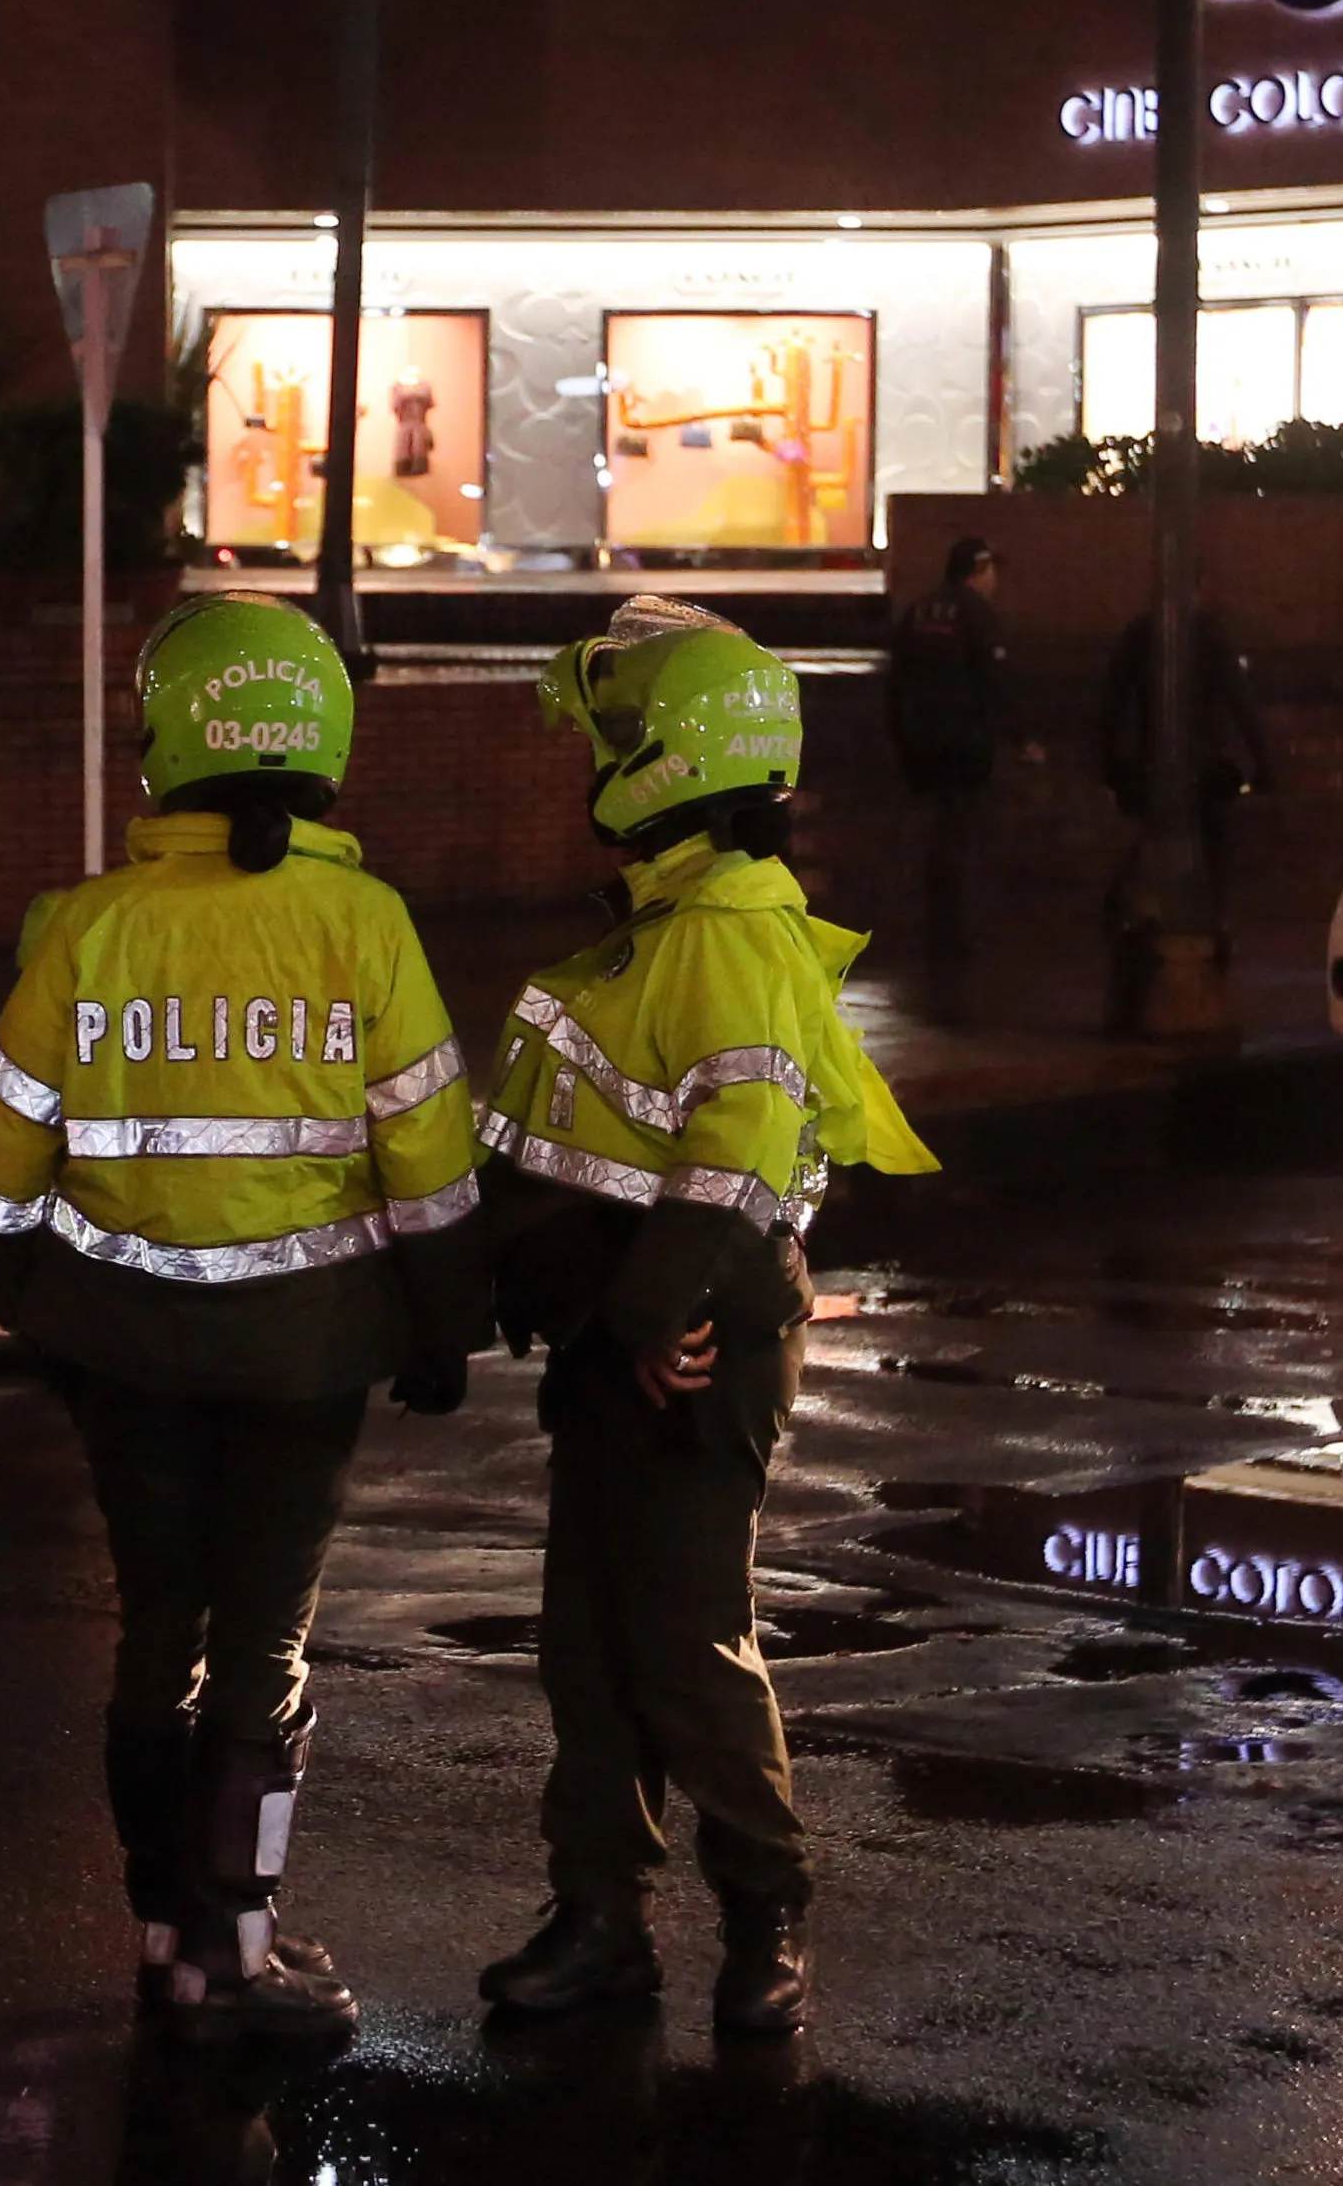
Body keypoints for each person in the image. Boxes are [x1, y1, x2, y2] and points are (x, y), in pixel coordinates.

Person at [0, 595, 489, 2043]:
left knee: (156, 1631)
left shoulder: (92, 925)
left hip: (121, 1347)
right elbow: (427, 1156)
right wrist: (443, 1322)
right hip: (306, 1355)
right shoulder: (364, 924)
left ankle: (164, 1935)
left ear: (163, 746)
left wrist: (18, 1292)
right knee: (261, 1648)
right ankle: (236, 1951)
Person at [466, 600, 937, 2041]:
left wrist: (655, 1307)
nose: (594, 760)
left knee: (681, 1641)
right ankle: (601, 1916)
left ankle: (764, 1908)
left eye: (616, 736)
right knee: (586, 1644)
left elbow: (734, 1153)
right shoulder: (678, 920)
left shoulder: (725, 931)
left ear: (674, 760)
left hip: (693, 1335)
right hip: (630, 1330)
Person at [1098, 579, 1272, 1032]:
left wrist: (1112, 771)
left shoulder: (1140, 634)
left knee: (1148, 862)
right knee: (1209, 866)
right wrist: (1265, 764)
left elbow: (1111, 706)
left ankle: (1138, 946)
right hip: (1198, 775)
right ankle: (1196, 961)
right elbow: (1241, 700)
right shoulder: (1206, 635)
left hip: (1149, 774)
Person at [879, 536, 1005, 1004]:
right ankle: (955, 930)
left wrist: (900, 737)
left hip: (921, 743)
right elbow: (993, 681)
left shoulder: (919, 612)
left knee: (934, 832)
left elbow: (896, 682)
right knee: (961, 834)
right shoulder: (976, 614)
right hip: (964, 745)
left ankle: (935, 923)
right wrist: (1017, 735)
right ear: (979, 569)